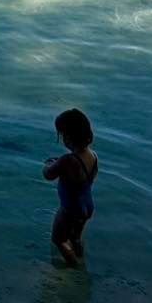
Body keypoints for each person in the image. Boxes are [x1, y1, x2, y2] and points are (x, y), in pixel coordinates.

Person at [43, 108, 98, 267]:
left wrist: (49, 164)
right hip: (87, 206)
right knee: (75, 237)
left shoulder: (68, 160)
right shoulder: (93, 156)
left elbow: (48, 174)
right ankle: (79, 254)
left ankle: (75, 267)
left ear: (69, 137)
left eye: (61, 135)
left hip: (70, 209)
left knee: (58, 239)